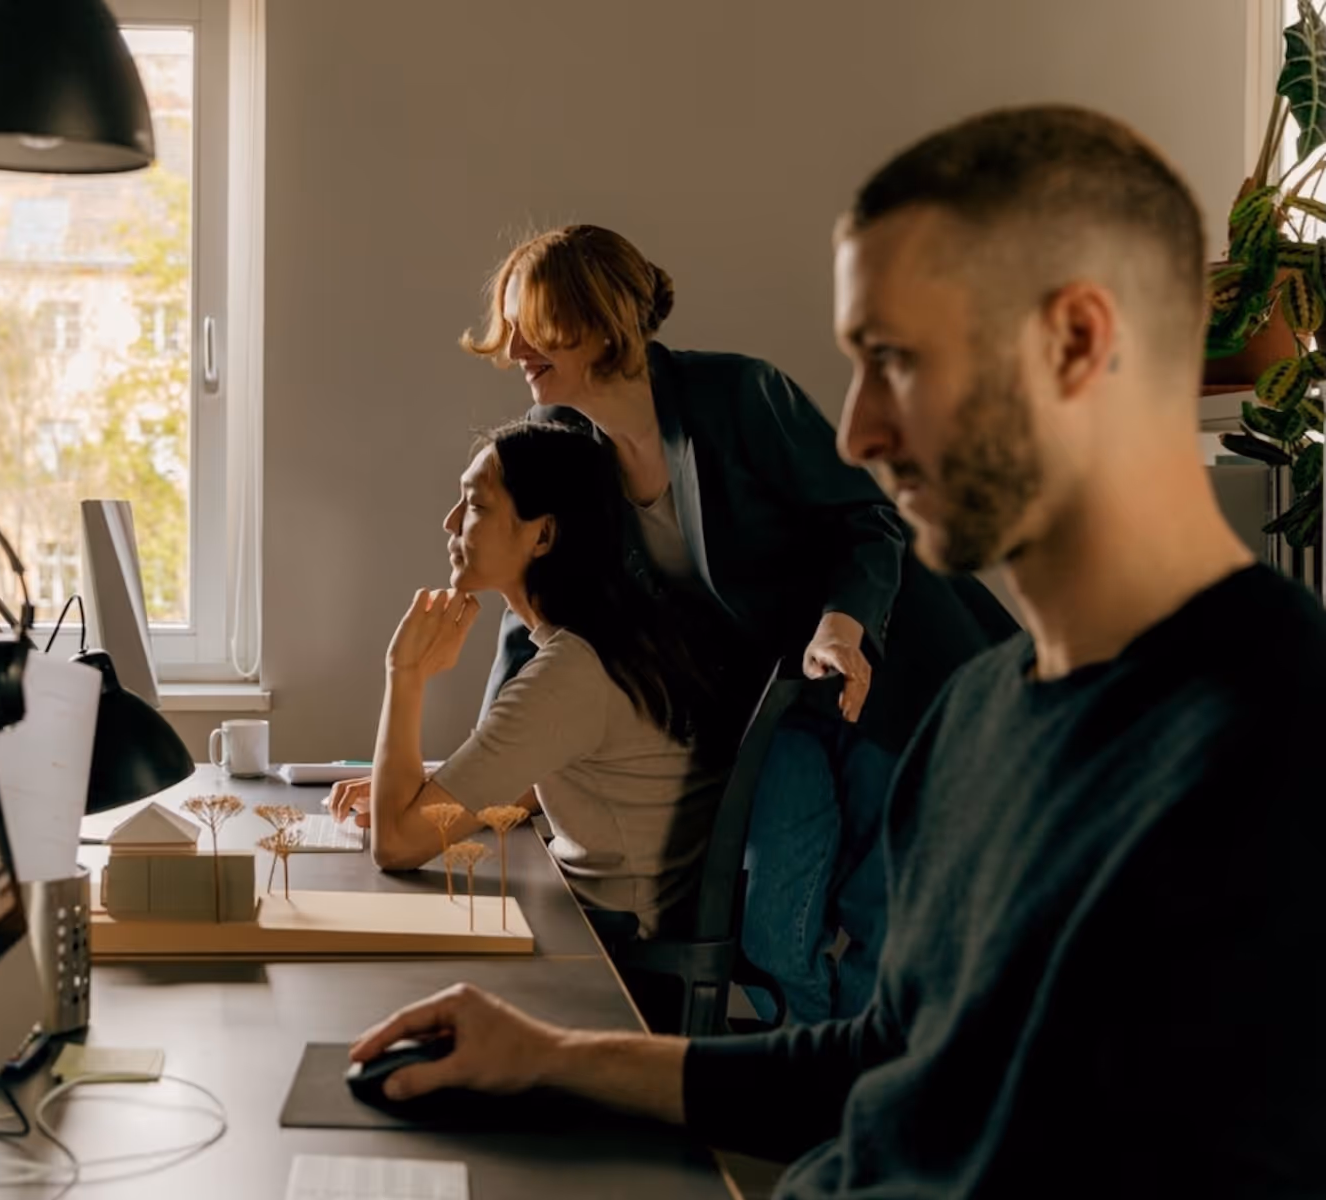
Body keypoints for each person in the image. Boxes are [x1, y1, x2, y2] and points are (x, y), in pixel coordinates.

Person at [347, 105, 1326, 1196]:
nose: (855, 431)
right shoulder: (977, 716)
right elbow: (884, 1069)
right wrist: (550, 1058)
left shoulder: (1273, 736)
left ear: (1077, 340)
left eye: (893, 361)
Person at [463, 224, 1013, 1023]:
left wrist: (841, 624)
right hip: (778, 701)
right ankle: (809, 1080)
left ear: (597, 321)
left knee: (881, 905)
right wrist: (479, 772)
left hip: (886, 668)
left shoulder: (737, 396)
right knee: (775, 920)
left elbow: (868, 522)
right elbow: (545, 606)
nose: (511, 347)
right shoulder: (569, 445)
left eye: (530, 325)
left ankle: (864, 1102)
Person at [328, 420, 731, 941]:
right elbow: (543, 780)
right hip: (597, 920)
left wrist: (404, 674)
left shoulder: (571, 673)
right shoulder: (614, 638)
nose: (450, 522)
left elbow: (397, 846)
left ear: (542, 534)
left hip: (614, 955)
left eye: (475, 505)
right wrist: (428, 789)